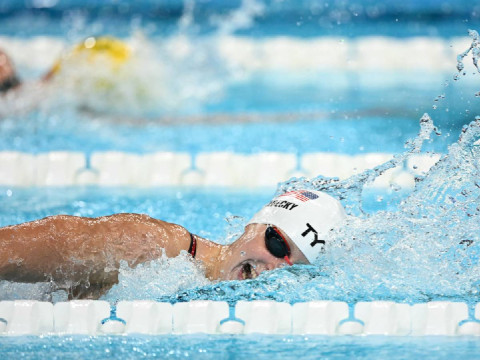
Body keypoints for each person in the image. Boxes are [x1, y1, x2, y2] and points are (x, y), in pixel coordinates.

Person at [0, 190, 346, 299]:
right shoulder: (151, 244)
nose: (274, 267)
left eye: (294, 267)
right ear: (253, 226)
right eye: (277, 244)